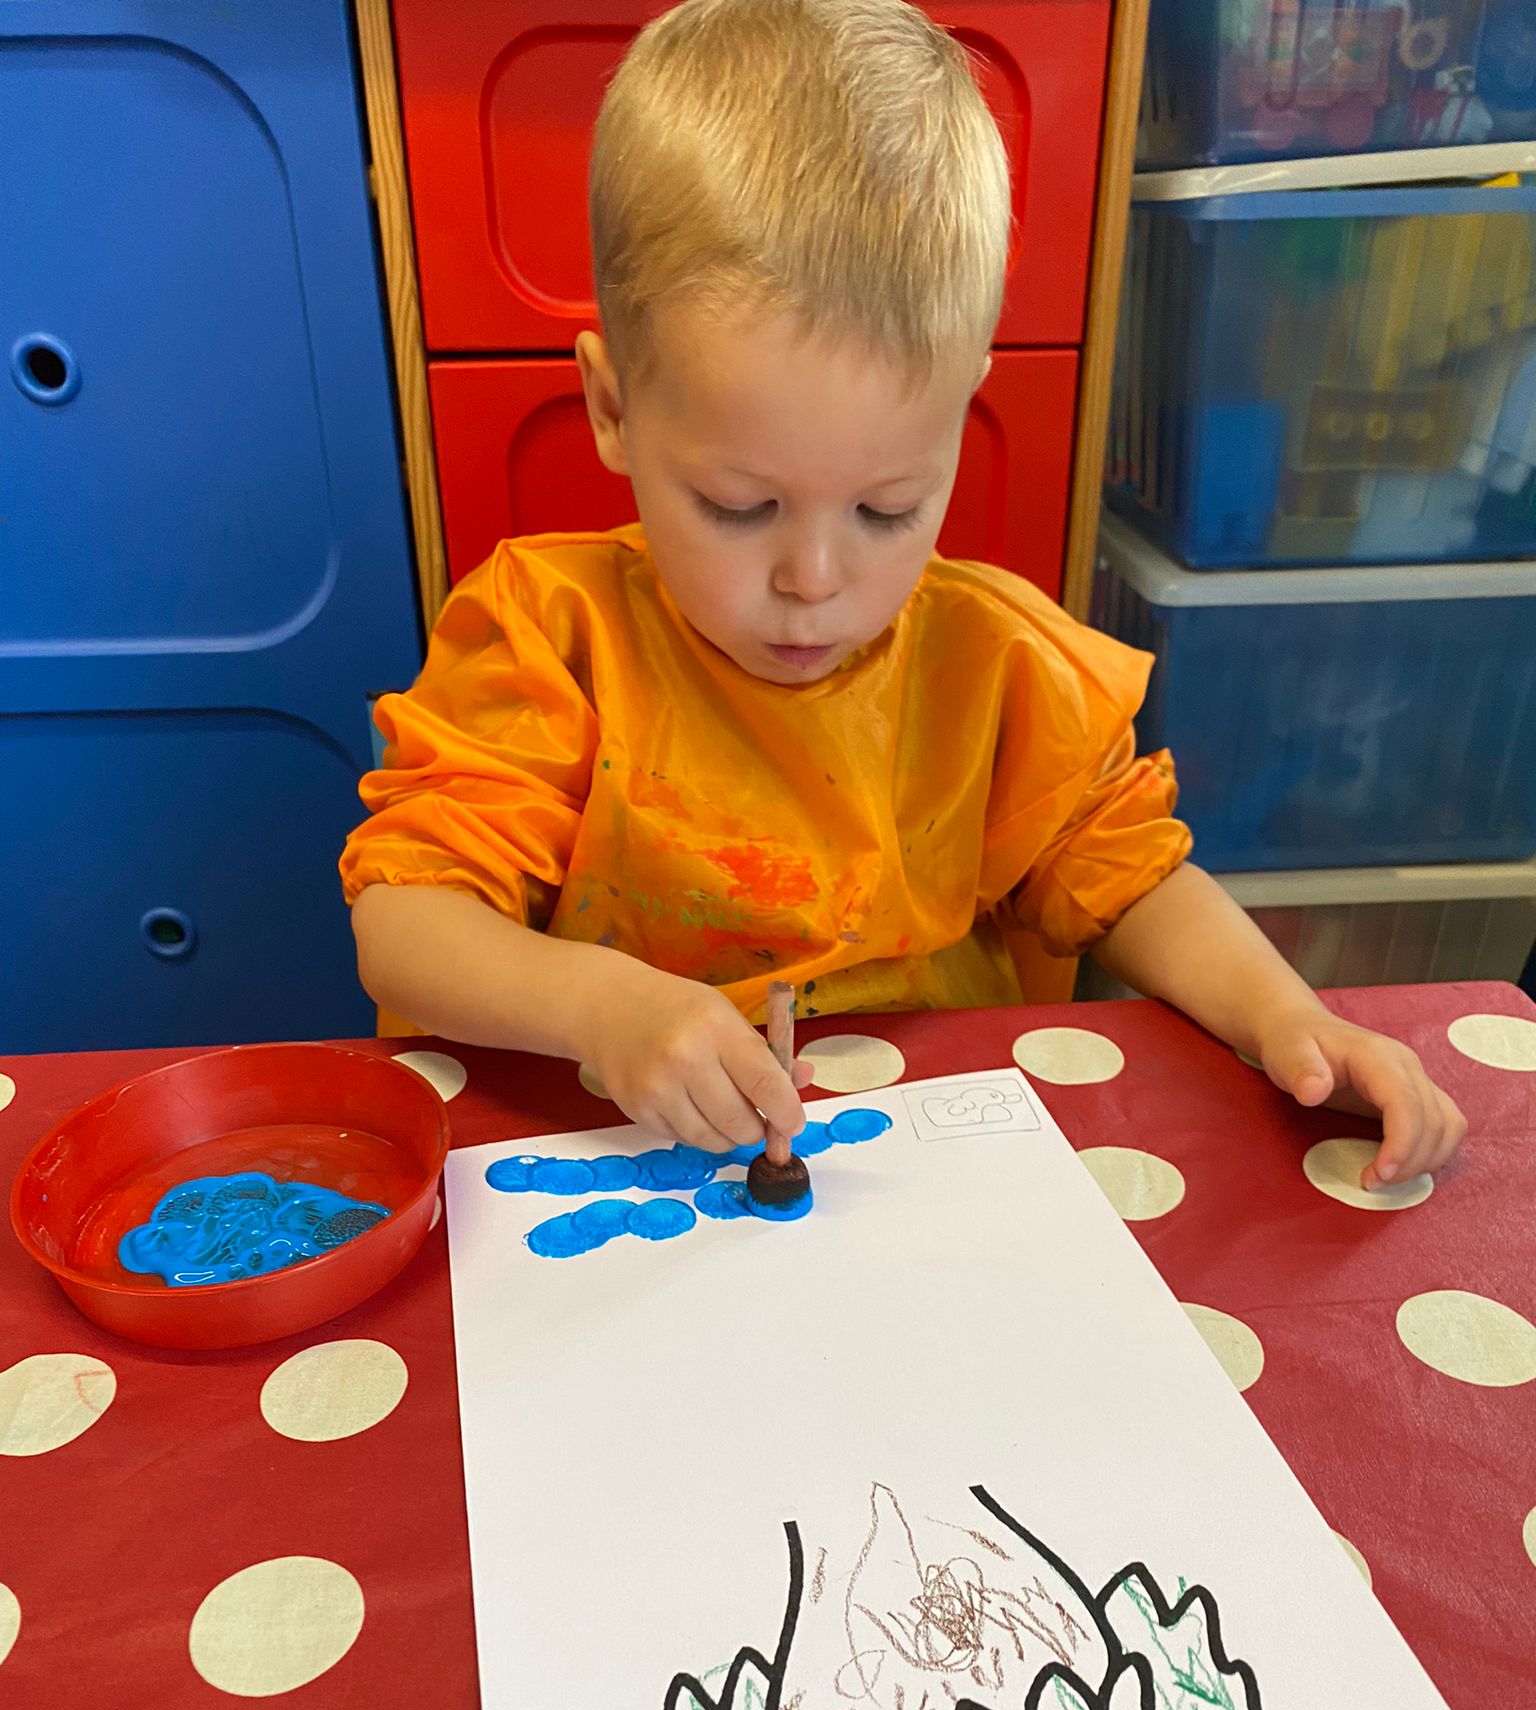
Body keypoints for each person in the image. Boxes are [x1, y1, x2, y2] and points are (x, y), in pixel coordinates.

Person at [342, 0, 1464, 1190]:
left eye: (887, 509)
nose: (814, 582)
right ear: (613, 408)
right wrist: (597, 1004)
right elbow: (404, 925)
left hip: (932, 1180)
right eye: (739, 505)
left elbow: (1133, 878)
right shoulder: (550, 640)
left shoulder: (996, 666)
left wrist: (1289, 1019)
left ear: (962, 410)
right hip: (631, 1184)